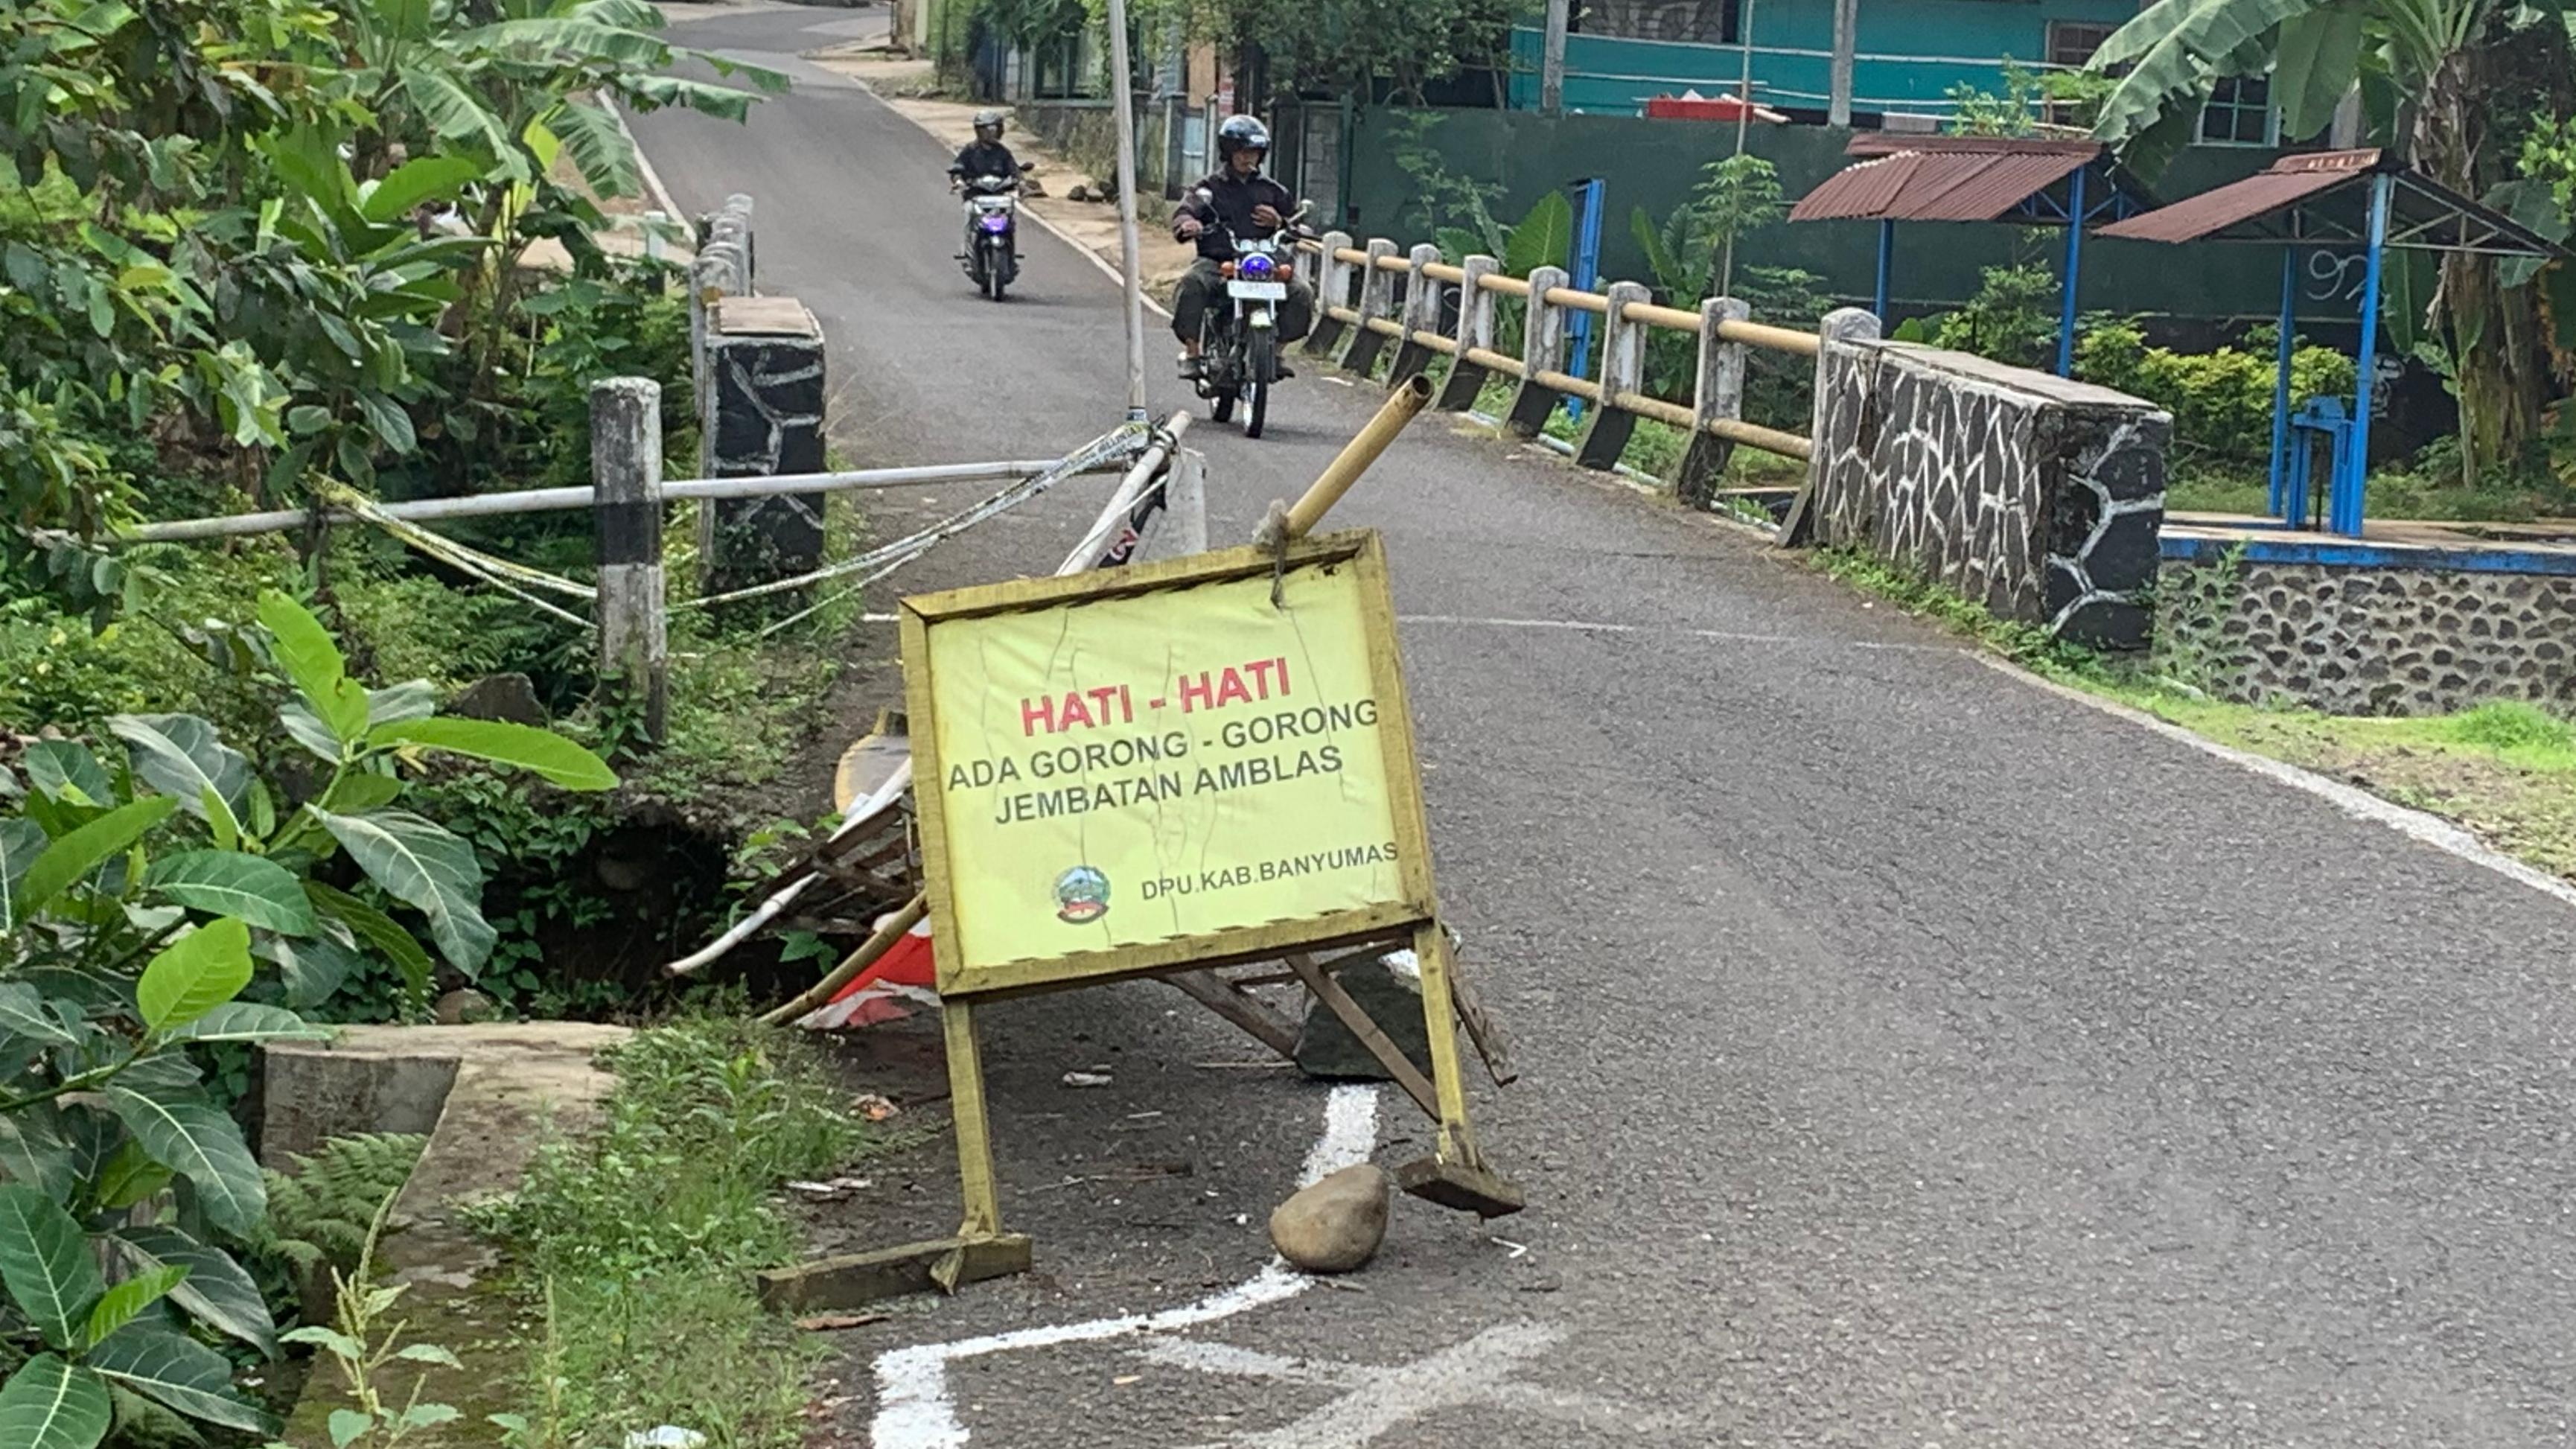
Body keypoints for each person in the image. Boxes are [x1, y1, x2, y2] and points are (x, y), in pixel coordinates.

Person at [1170, 115, 1313, 379]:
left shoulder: (1274, 191)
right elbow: (1185, 211)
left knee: (1301, 292)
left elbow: (1296, 223)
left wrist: (1281, 221)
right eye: (1243, 152)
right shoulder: (1208, 189)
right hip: (1219, 262)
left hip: (1264, 261)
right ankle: (1192, 352)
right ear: (1229, 152)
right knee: (1192, 283)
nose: (1249, 158)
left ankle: (1278, 352)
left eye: (1255, 152)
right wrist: (1189, 224)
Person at [949, 109, 1018, 188]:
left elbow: (1013, 169)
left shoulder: (1003, 152)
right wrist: (958, 180)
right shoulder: (970, 150)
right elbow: (957, 167)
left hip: (999, 194)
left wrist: (1019, 180)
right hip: (974, 193)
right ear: (980, 131)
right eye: (990, 130)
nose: (992, 133)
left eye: (995, 129)